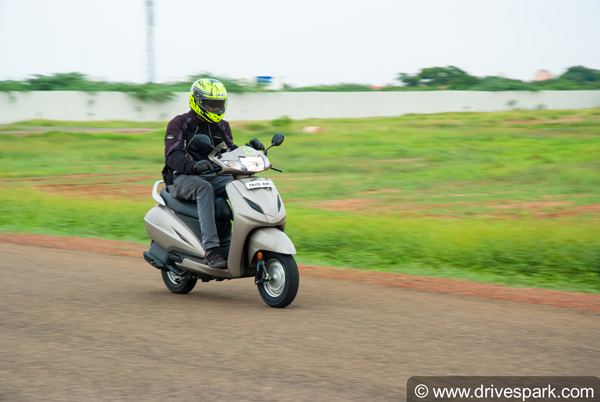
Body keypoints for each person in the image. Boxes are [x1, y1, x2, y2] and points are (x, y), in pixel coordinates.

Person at [161, 78, 265, 268]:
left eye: (219, 105)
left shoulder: (222, 126)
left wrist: (250, 150)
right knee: (204, 188)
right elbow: (172, 156)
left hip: (213, 175)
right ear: (197, 101)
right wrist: (194, 166)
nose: (216, 109)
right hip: (182, 178)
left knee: (241, 185)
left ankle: (247, 239)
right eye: (211, 104)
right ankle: (211, 250)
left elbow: (230, 152)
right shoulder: (179, 124)